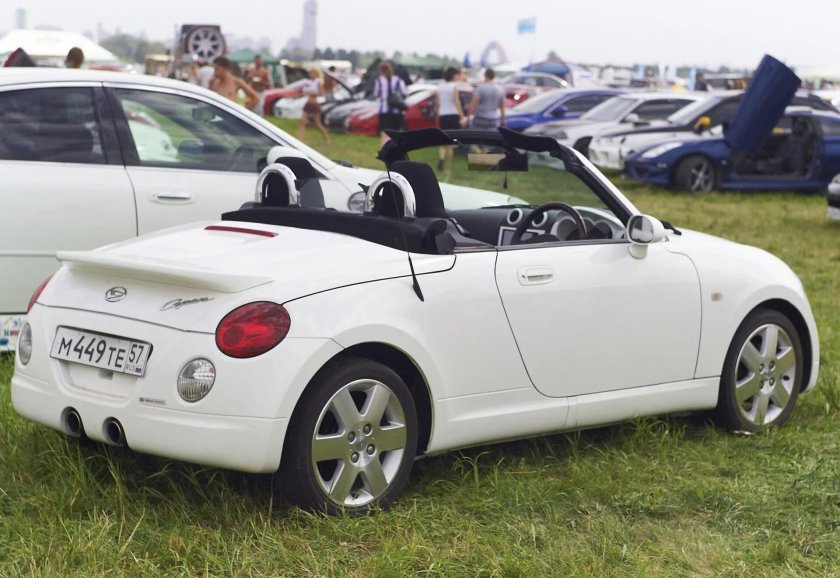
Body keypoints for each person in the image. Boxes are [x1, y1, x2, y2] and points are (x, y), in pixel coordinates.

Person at [435, 67, 467, 172]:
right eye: (458, 75)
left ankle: (441, 159)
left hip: (443, 115)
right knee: (451, 142)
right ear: (454, 76)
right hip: (453, 114)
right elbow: (457, 102)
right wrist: (462, 117)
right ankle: (448, 166)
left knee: (443, 140)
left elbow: (437, 103)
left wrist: (437, 114)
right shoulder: (454, 87)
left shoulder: (440, 86)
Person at [374, 62, 407, 146]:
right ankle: (394, 152)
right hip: (397, 112)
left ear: (380, 70)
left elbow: (376, 94)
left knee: (384, 134)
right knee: (395, 135)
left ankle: (384, 153)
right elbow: (404, 94)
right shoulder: (398, 80)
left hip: (384, 111)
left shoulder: (379, 80)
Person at [297, 68, 330, 145]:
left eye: (312, 73)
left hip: (314, 104)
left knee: (317, 123)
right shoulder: (310, 82)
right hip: (308, 103)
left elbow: (321, 93)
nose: (310, 74)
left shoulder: (319, 82)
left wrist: (312, 93)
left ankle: (326, 139)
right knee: (302, 122)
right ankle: (299, 140)